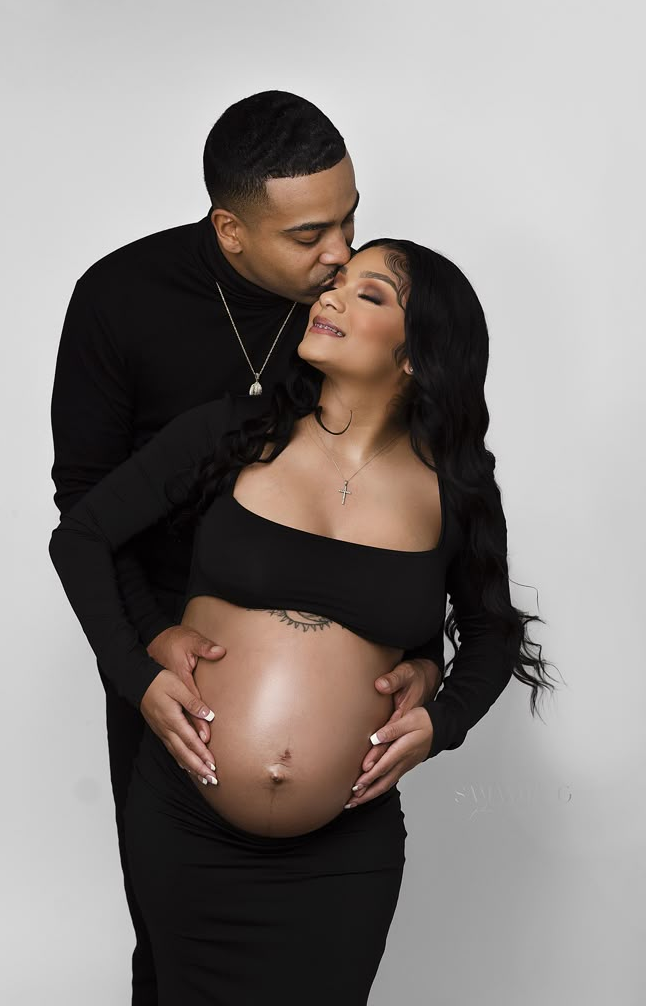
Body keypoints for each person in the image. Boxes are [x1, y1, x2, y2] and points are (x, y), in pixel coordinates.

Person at [50, 238, 553, 1005]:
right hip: (188, 829)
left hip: (344, 854)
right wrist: (139, 671)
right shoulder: (234, 432)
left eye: (370, 294)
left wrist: (441, 719)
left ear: (418, 353)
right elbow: (81, 536)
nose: (331, 297)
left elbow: (490, 629)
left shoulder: (457, 487)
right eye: (335, 285)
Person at [50, 91, 445, 1002]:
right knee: (171, 960)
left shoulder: (354, 316)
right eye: (311, 235)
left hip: (335, 727)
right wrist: (145, 652)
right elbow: (86, 509)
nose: (340, 254)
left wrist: (423, 658)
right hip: (169, 686)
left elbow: (403, 506)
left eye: (350, 217)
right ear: (231, 230)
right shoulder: (120, 300)